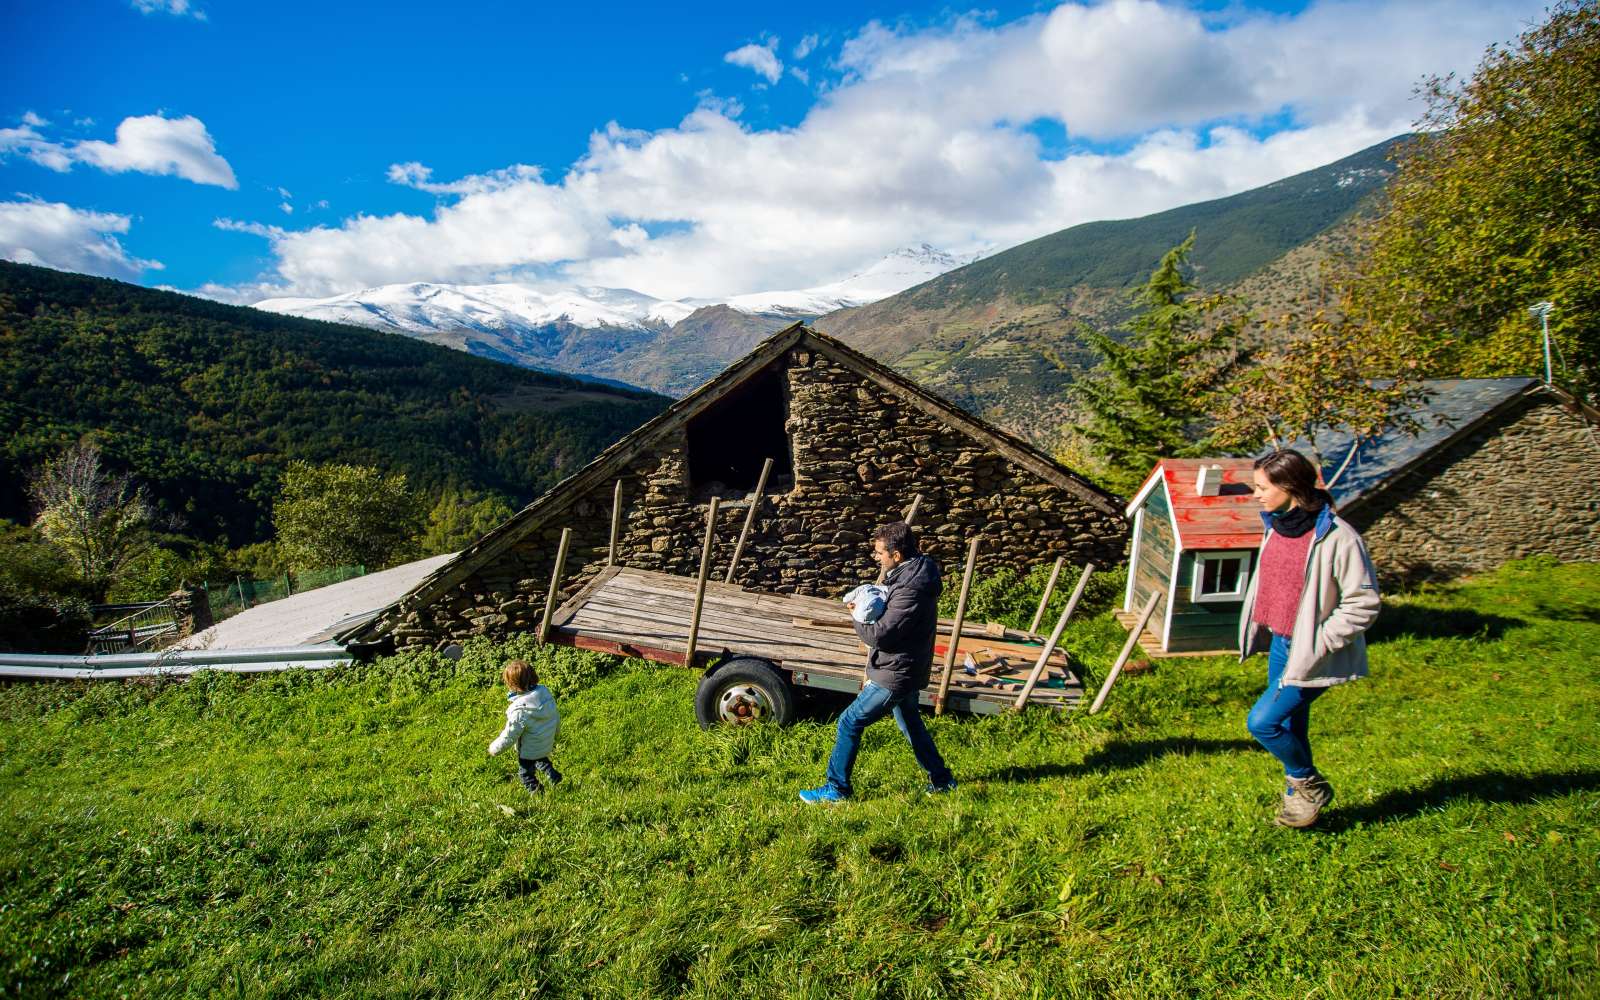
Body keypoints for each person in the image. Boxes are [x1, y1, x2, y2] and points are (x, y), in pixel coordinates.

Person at [1238, 449, 1380, 828]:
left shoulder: (1338, 537)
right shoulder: (1277, 525)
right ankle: (1299, 807)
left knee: (1262, 723)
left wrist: (1319, 642)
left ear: (1290, 486)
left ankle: (1308, 784)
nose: (1256, 495)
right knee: (1290, 725)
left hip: (1309, 650)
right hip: (1281, 643)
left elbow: (1363, 604)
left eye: (1262, 487)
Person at [800, 522, 956, 803]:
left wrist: (857, 616)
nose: (877, 557)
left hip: (897, 671)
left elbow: (881, 635)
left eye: (880, 553)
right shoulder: (911, 574)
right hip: (905, 666)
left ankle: (837, 790)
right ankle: (942, 779)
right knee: (911, 722)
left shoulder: (912, 589)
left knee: (849, 722)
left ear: (897, 555)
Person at [488, 658, 563, 794]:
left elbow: (510, 734)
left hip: (529, 749)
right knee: (540, 757)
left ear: (512, 684)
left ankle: (537, 792)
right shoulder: (544, 694)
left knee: (525, 774)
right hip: (546, 741)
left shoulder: (519, 709)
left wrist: (495, 749)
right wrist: (555, 735)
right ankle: (553, 775)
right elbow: (556, 717)